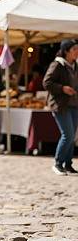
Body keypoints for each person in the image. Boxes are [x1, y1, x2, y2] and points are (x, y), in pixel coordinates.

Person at [43, 39, 78, 176]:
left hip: (74, 105)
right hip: (60, 105)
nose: (77, 52)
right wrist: (62, 88)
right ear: (66, 51)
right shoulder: (57, 64)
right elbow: (47, 82)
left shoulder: (75, 65)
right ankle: (58, 164)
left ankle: (68, 164)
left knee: (72, 136)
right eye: (74, 49)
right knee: (67, 135)